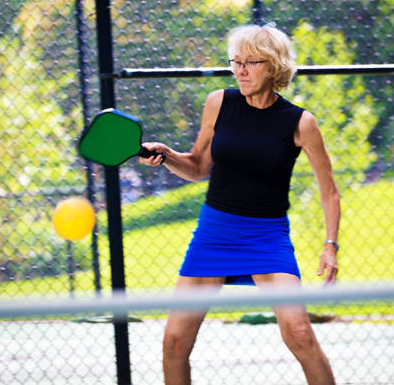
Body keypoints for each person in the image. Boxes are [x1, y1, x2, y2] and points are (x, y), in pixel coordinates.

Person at [140, 23, 340, 385]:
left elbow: (330, 191)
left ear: (275, 66)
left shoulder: (300, 122)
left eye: (251, 62)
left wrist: (330, 245)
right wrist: (168, 156)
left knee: (300, 335)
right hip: (214, 234)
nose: (240, 71)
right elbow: (199, 166)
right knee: (173, 343)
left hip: (267, 238)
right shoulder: (219, 103)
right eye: (236, 62)